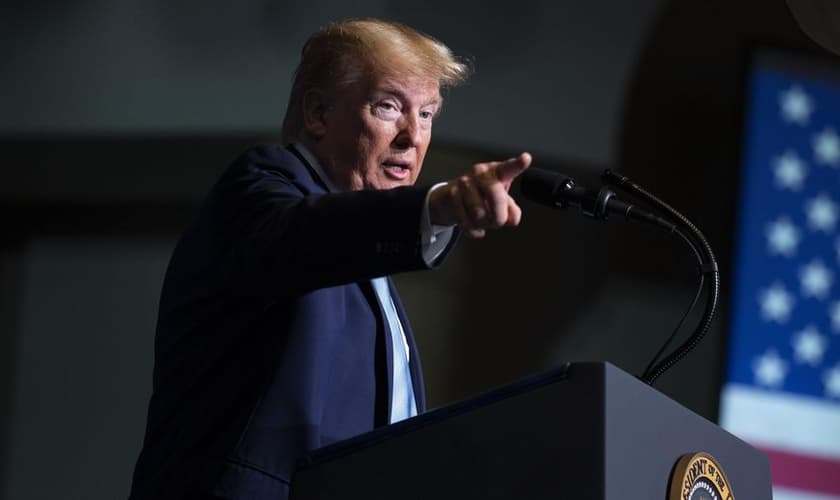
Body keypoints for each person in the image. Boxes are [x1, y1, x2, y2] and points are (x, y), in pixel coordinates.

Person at [129, 18, 532, 500]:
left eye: (426, 115)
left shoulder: (368, 264)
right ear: (318, 113)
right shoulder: (262, 188)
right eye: (389, 106)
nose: (412, 137)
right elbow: (307, 235)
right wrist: (438, 204)